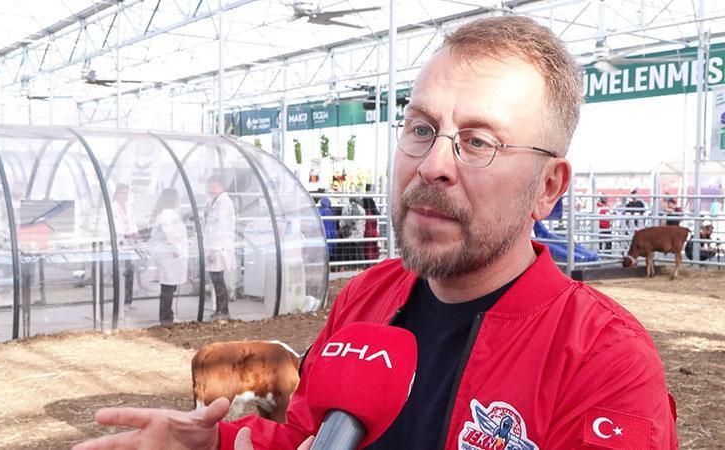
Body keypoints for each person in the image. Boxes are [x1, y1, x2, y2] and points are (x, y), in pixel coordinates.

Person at [74, 16, 678, 450]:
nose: (433, 164)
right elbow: (306, 435)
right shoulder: (364, 299)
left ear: (548, 187)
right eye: (421, 128)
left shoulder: (604, 361)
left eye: (478, 141)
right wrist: (215, 445)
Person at [147, 188, 189, 326]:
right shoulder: (167, 216)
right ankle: (166, 318)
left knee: (169, 287)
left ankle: (168, 316)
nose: (179, 199)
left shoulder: (168, 214)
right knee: (168, 288)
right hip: (169, 256)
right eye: (178, 197)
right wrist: (179, 251)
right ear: (172, 199)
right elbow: (171, 236)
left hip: (170, 257)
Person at [204, 175, 235, 320]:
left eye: (213, 186)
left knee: (217, 279)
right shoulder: (216, 202)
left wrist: (213, 249)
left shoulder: (224, 203)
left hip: (219, 247)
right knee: (216, 279)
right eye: (209, 186)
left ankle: (223, 310)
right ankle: (220, 309)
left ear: (221, 187)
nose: (210, 189)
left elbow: (220, 228)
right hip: (216, 246)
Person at [112, 183, 138, 311]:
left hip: (130, 244)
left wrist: (135, 232)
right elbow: (112, 226)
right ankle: (120, 302)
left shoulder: (129, 207)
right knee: (120, 274)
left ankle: (128, 301)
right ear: (117, 193)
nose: (125, 196)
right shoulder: (112, 208)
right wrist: (125, 234)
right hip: (119, 243)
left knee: (130, 273)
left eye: (127, 193)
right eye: (122, 193)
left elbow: (133, 223)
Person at [337, 197, 365, 261]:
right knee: (358, 251)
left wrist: (342, 229)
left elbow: (342, 222)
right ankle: (358, 265)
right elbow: (363, 222)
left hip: (347, 234)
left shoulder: (345, 208)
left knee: (346, 251)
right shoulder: (362, 209)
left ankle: (346, 264)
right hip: (359, 234)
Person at [362, 196, 380, 260]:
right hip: (374, 233)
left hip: (367, 233)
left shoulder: (365, 212)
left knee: (368, 252)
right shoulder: (374, 212)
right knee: (374, 251)